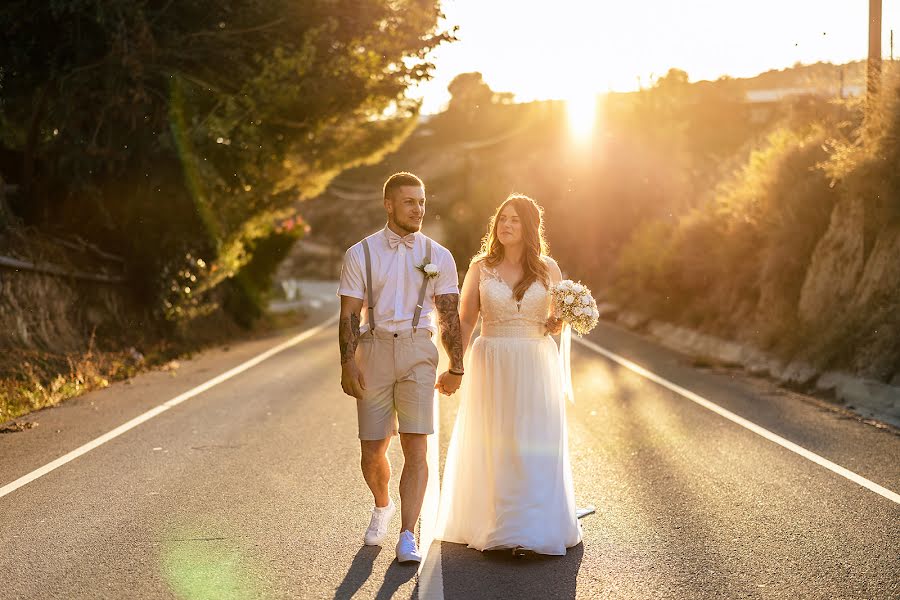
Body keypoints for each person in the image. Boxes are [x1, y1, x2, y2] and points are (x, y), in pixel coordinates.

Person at [434, 193, 582, 555]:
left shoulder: (549, 268)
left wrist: (559, 321)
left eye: (515, 219)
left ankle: (528, 531)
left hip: (535, 361)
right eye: (502, 218)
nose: (506, 224)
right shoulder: (480, 268)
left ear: (529, 226)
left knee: (532, 443)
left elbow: (555, 321)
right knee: (496, 441)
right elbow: (466, 319)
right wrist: (456, 365)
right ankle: (496, 524)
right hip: (492, 360)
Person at [337, 172, 463, 563]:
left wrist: (457, 365)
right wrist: (346, 364)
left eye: (422, 201)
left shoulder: (438, 255)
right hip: (372, 348)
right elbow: (349, 315)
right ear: (389, 205)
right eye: (410, 201)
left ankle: (408, 534)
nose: (419, 208)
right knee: (373, 449)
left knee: (416, 443)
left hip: (417, 352)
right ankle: (382, 504)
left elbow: (449, 316)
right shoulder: (360, 253)